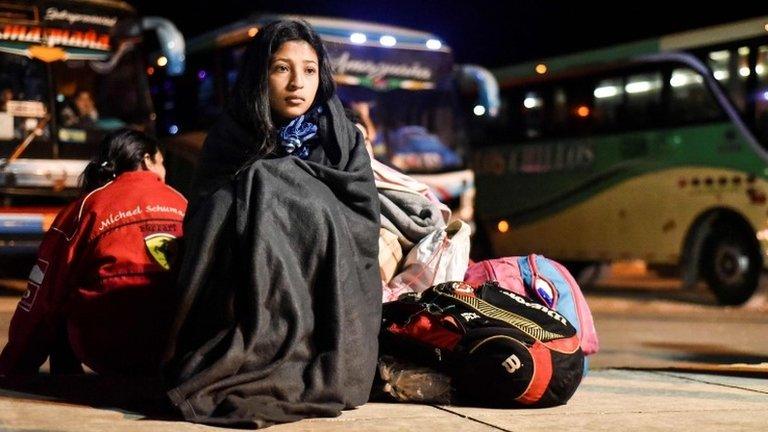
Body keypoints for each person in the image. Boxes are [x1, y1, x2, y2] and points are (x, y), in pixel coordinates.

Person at [162, 20, 381, 428]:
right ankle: (257, 349)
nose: (298, 82)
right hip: (241, 299)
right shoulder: (230, 136)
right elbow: (206, 222)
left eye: (310, 69)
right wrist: (263, 195)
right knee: (250, 187)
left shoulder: (342, 139)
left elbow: (363, 226)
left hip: (328, 307)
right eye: (281, 68)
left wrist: (282, 188)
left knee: (265, 179)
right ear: (259, 75)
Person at [0, 128, 188, 376]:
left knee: (61, 292)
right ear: (146, 160)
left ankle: (68, 382)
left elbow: (43, 295)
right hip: (173, 350)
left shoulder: (87, 207)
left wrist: (13, 365)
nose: (164, 173)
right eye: (161, 163)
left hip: (107, 347)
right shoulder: (182, 202)